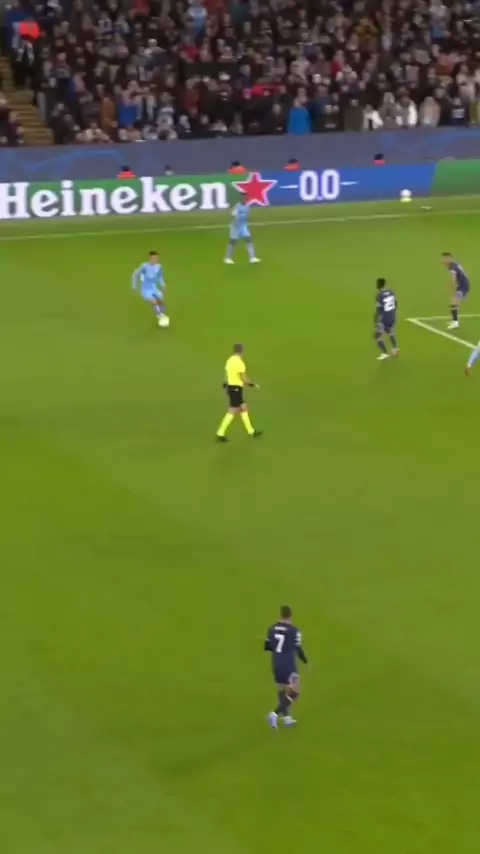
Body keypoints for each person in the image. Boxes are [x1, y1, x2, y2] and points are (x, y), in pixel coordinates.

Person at [264, 606, 308, 729]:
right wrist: (306, 662)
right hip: (289, 666)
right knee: (296, 691)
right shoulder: (294, 631)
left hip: (276, 664)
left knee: (282, 690)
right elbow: (298, 649)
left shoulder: (272, 629)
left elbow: (267, 647)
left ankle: (287, 718)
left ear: (280, 615)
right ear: (291, 615)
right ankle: (274, 714)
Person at [216, 344, 261, 442]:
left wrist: (225, 383)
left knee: (243, 408)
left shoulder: (230, 360)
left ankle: (251, 431)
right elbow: (243, 378)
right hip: (236, 388)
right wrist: (253, 385)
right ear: (242, 351)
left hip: (231, 388)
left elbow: (226, 373)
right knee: (233, 410)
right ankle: (220, 432)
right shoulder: (240, 363)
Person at [131, 251, 168, 327]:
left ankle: (162, 315)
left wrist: (163, 285)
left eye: (156, 258)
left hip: (154, 288)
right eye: (153, 258)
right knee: (154, 302)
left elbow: (160, 277)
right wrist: (134, 286)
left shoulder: (158, 267)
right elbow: (135, 274)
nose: (155, 260)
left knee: (161, 302)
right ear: (149, 258)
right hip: (146, 289)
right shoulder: (144, 267)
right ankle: (160, 316)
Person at [442, 252, 470, 330]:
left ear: (450, 258)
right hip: (462, 285)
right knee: (454, 303)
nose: (444, 260)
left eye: (446, 258)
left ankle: (455, 323)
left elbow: (453, 278)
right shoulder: (452, 265)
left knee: (454, 302)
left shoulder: (452, 266)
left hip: (463, 286)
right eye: (443, 258)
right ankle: (454, 321)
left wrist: (452, 288)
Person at [374, 278, 399, 361]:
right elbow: (396, 303)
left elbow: (379, 310)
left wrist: (376, 320)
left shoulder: (379, 295)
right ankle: (395, 348)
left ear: (378, 285)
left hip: (384, 318)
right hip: (392, 315)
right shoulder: (391, 292)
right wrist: (392, 312)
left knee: (377, 336)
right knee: (389, 330)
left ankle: (384, 353)